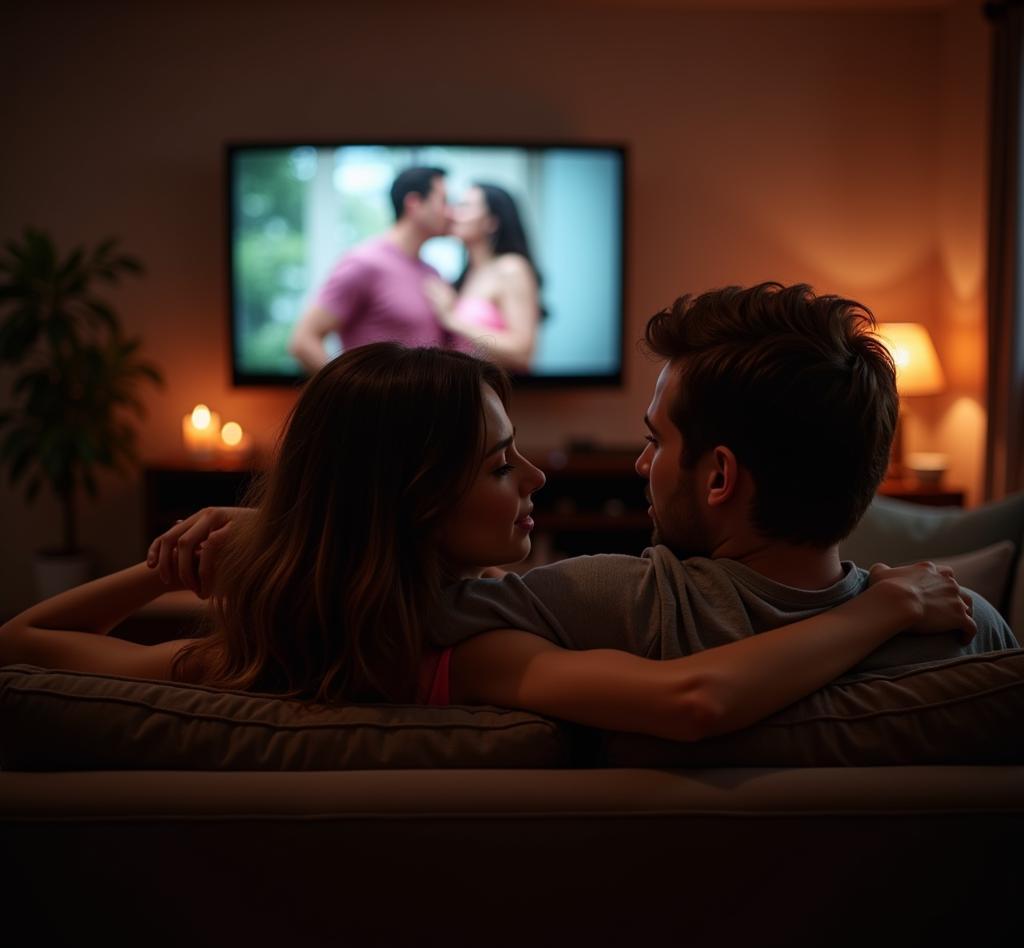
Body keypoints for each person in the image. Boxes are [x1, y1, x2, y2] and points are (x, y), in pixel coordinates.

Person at [0, 342, 978, 743]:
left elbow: (28, 646)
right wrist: (885, 604)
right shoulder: (484, 648)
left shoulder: (265, 657)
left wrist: (147, 567)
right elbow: (693, 696)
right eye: (501, 464)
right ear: (413, 499)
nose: (538, 481)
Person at [429, 282, 1017, 697]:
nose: (640, 464)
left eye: (655, 440)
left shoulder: (612, 605)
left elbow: (403, 618)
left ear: (719, 477)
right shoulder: (970, 630)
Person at [288, 166, 463, 374]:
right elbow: (303, 341)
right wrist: (353, 394)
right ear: (414, 203)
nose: (452, 213)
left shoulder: (432, 273)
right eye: (444, 201)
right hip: (376, 406)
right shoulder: (364, 263)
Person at [423, 183, 541, 373]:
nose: (453, 213)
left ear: (491, 222)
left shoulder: (511, 268)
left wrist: (452, 319)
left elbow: (523, 352)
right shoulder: (466, 275)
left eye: (464, 206)